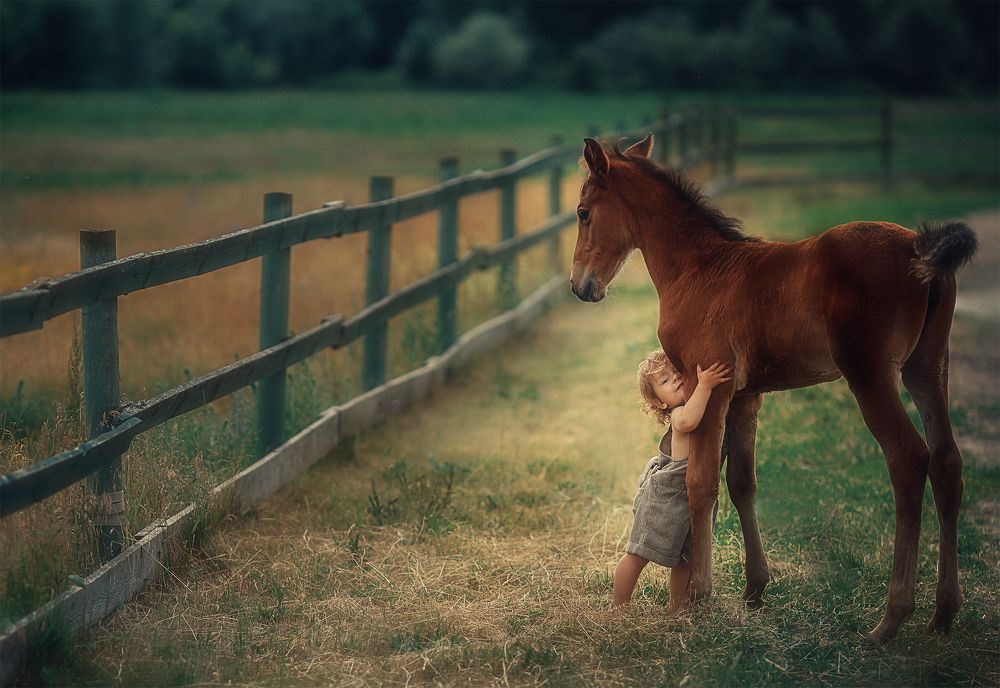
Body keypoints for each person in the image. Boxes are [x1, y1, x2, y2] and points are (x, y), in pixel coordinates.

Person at [611, 350, 732, 611]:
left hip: (693, 499)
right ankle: (618, 606)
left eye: (675, 373)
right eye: (664, 381)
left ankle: (675, 609)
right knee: (638, 554)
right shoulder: (679, 415)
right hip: (667, 499)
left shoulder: (695, 406)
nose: (675, 379)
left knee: (686, 561)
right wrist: (705, 385)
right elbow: (690, 420)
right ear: (659, 404)